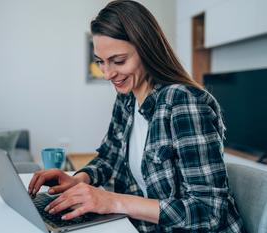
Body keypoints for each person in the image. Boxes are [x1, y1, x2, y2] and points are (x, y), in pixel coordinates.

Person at [28, 1, 245, 232]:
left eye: (118, 61)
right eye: (100, 62)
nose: (108, 74)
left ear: (147, 49)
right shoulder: (127, 98)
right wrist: (78, 179)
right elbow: (109, 157)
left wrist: (112, 201)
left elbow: (209, 212)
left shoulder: (183, 102)